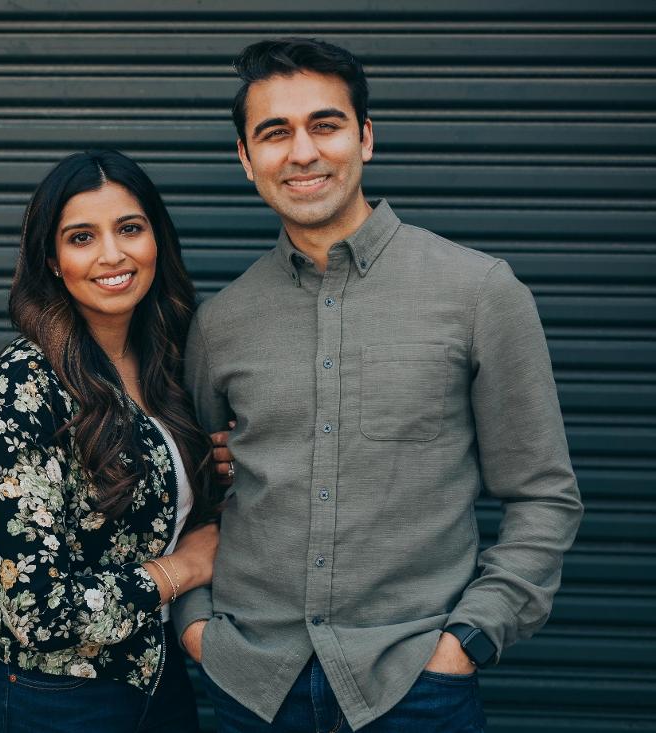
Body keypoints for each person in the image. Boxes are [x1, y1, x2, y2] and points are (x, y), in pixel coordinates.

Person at [174, 38, 585, 732]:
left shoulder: (480, 291)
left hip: (415, 687)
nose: (301, 152)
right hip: (253, 687)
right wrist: (197, 629)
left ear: (365, 137)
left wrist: (470, 639)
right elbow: (198, 497)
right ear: (246, 159)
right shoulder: (220, 323)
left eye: (325, 124)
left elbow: (544, 493)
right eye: (274, 133)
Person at [0, 149, 224, 732]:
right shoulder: (27, 382)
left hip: (158, 682)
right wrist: (181, 570)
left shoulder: (169, 361)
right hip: (53, 697)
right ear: (53, 261)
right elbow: (36, 610)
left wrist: (224, 464)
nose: (112, 254)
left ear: (157, 238)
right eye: (82, 237)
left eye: (130, 228)